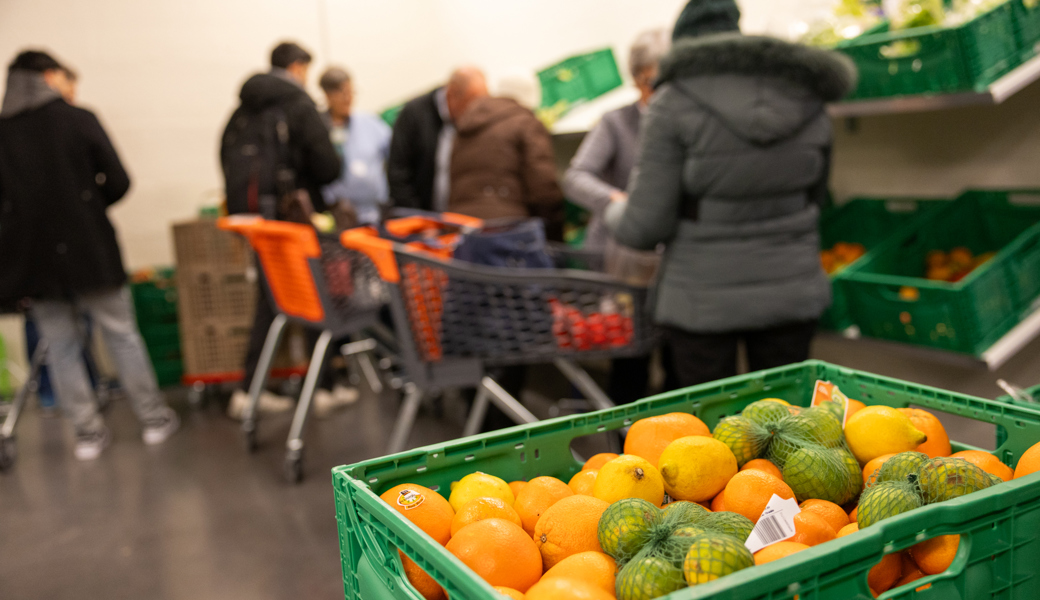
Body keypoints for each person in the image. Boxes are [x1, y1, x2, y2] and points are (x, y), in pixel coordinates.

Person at [605, 0, 857, 388]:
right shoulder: (805, 95)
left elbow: (643, 227)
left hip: (701, 300)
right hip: (790, 289)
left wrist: (612, 211)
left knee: (710, 434)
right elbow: (817, 197)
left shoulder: (672, 103)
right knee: (785, 426)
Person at [0, 50, 179, 459]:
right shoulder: (78, 119)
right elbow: (118, 180)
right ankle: (153, 420)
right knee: (122, 336)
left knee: (60, 347)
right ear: (48, 76)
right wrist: (86, 207)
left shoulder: (3, 134)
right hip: (90, 251)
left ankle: (87, 434)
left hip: (35, 264)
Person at [220, 41, 345, 419]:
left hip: (259, 225)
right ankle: (324, 387)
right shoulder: (298, 103)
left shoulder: (241, 111)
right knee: (313, 296)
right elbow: (327, 166)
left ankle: (247, 392)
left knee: (271, 299)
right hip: (295, 222)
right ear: (297, 67)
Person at [563, 29, 673, 404]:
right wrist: (617, 201)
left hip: (673, 262)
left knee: (678, 361)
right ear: (636, 78)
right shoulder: (616, 123)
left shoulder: (682, 121)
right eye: (651, 82)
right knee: (631, 361)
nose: (658, 91)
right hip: (625, 264)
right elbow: (576, 177)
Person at [447, 69, 564, 238]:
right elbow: (544, 189)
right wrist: (555, 234)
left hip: (462, 230)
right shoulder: (527, 123)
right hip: (509, 232)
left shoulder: (465, 124)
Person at [386, 67, 486, 213]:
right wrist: (417, 217)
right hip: (419, 217)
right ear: (452, 94)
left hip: (460, 217)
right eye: (471, 104)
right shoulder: (414, 114)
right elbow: (398, 172)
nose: (477, 111)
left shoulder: (475, 121)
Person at [318, 66, 392, 226]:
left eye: (351, 92)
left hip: (374, 215)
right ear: (327, 95)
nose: (348, 98)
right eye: (342, 93)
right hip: (336, 219)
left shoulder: (370, 123)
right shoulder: (317, 128)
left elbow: (396, 155)